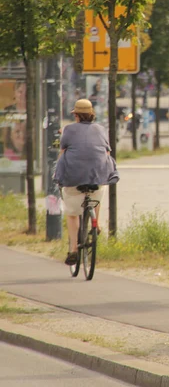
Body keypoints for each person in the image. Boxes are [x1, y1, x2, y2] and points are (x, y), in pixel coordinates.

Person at [54, 99, 119, 266]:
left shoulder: (68, 129)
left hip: (73, 180)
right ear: (92, 115)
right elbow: (106, 150)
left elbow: (62, 152)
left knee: (72, 213)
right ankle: (95, 224)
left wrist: (59, 175)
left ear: (75, 115)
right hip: (99, 176)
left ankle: (74, 249)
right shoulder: (100, 129)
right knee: (96, 191)